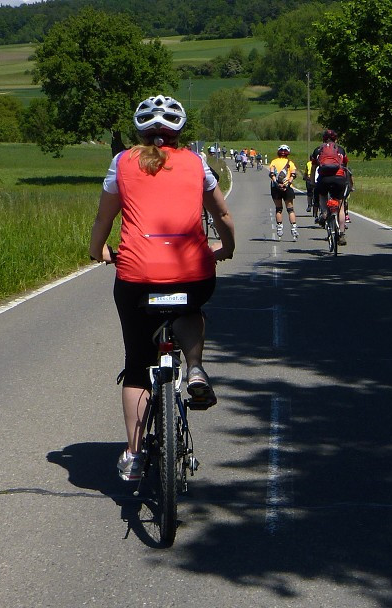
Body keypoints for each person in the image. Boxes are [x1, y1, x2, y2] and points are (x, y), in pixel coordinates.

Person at [88, 94, 236, 481]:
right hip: (192, 272)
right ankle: (196, 369)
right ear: (179, 131)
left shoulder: (122, 162)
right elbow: (221, 213)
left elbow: (106, 215)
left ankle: (134, 455)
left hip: (136, 275)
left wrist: (97, 248)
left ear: (139, 130)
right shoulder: (196, 162)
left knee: (138, 365)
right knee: (189, 308)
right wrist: (228, 247)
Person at [309, 129, 350, 246]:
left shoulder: (318, 150)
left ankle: (324, 214)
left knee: (322, 195)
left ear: (323, 139)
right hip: (339, 179)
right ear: (335, 139)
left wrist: (312, 182)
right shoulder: (340, 149)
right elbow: (345, 166)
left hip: (324, 179)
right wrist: (347, 182)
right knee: (340, 206)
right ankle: (341, 234)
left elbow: (313, 168)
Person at [268, 144, 299, 240]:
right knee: (290, 209)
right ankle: (294, 228)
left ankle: (279, 228)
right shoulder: (290, 162)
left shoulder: (274, 161)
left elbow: (272, 174)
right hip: (287, 187)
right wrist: (287, 184)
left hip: (275, 187)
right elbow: (293, 175)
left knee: (278, 209)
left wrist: (277, 184)